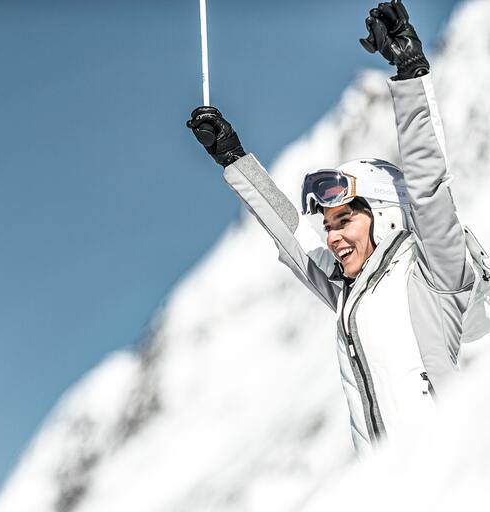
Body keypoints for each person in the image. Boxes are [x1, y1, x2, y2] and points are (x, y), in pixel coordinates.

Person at [187, 0, 476, 456]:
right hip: (388, 504)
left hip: (444, 483)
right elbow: (292, 236)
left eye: (344, 219)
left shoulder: (433, 273)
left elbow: (428, 186)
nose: (332, 236)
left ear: (384, 211)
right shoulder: (347, 291)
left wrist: (410, 70)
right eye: (328, 224)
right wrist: (233, 157)